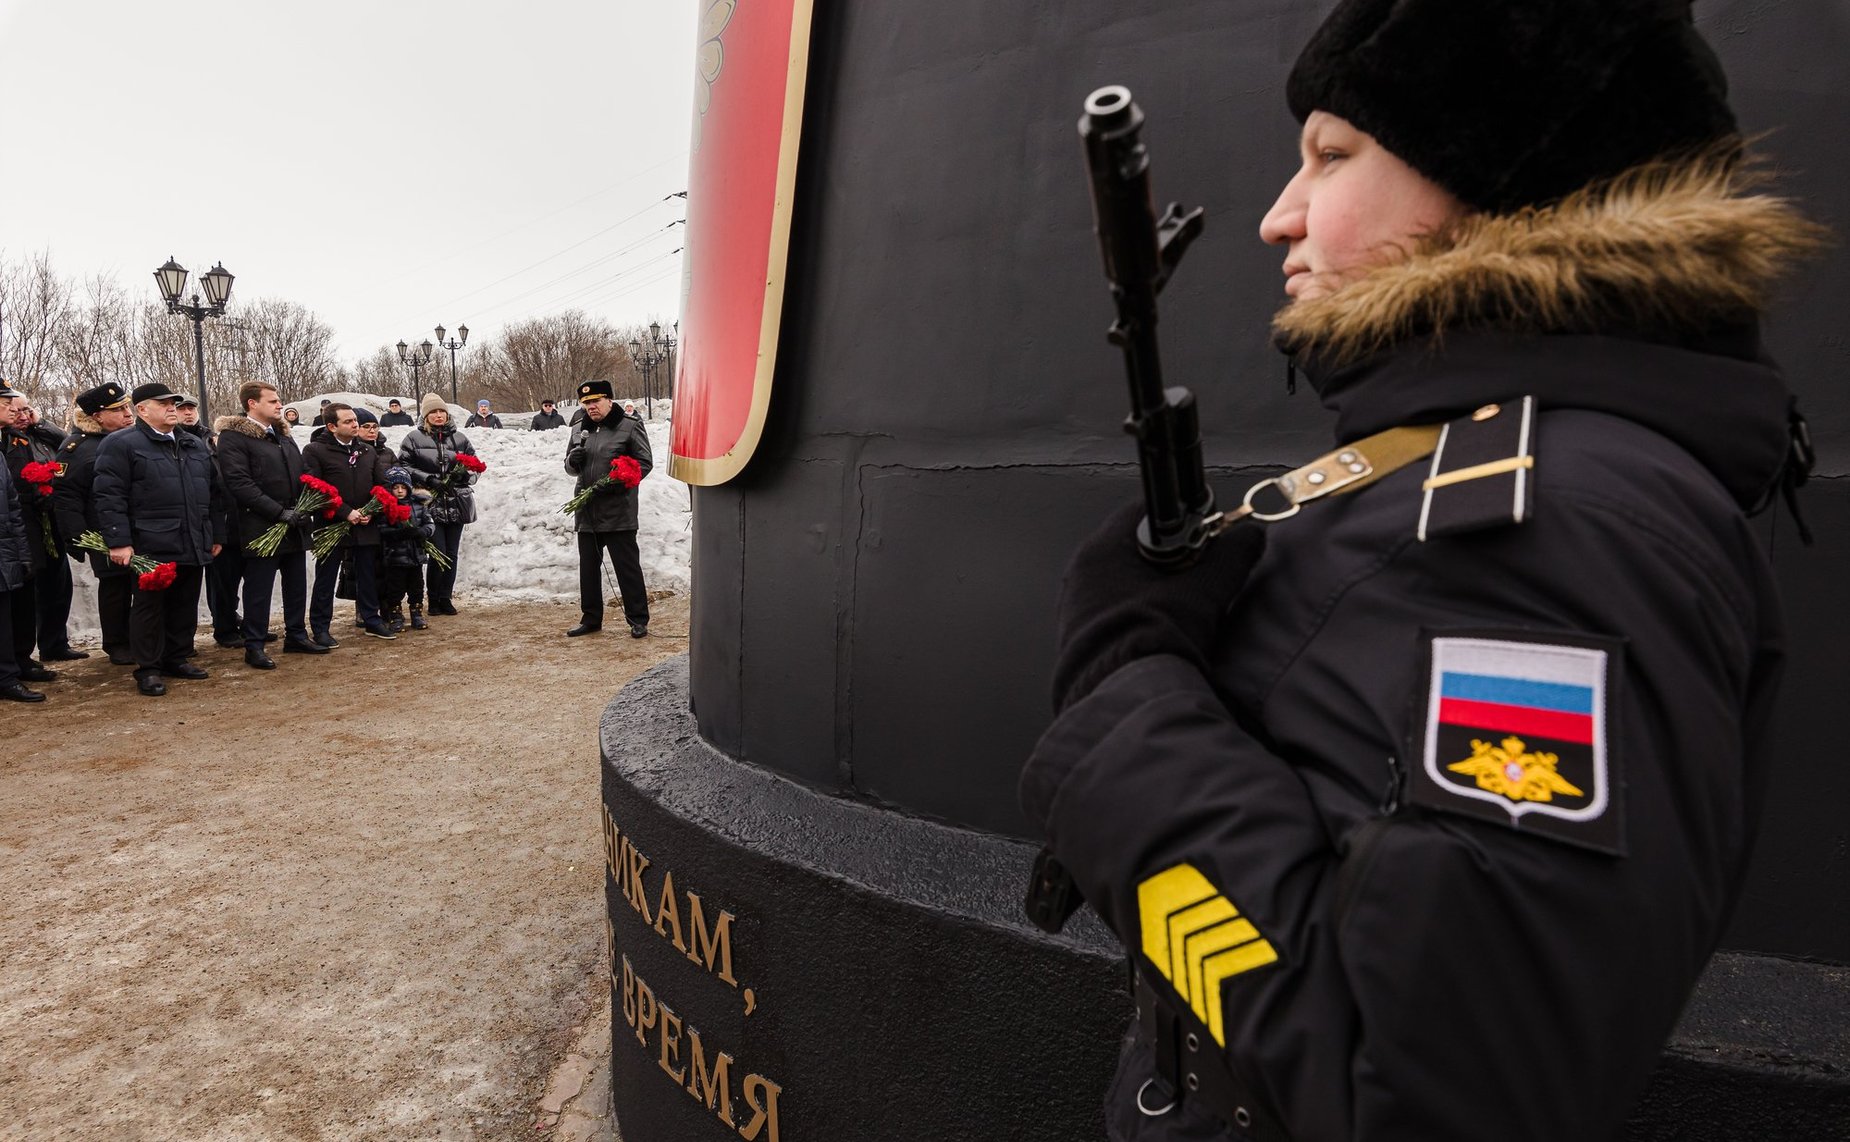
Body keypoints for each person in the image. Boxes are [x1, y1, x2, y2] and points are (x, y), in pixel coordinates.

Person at [1019, 3, 1826, 1140]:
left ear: (1498, 181)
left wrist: (1123, 694)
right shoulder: (1500, 482)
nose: (1275, 217)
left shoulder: (1559, 529)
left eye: (1331, 157)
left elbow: (1416, 1088)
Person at [92, 382, 225, 697]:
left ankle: (176, 657)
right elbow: (109, 496)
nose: (172, 408)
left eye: (174, 403)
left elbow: (214, 494)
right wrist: (118, 541)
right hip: (151, 542)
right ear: (141, 409)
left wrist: (215, 533)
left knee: (185, 602)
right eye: (163, 403)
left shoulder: (193, 444)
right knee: (150, 608)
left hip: (192, 538)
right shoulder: (122, 444)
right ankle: (148, 668)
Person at [216, 380, 328, 668]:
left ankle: (296, 636)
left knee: (296, 584)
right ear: (252, 404)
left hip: (294, 523)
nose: (280, 405)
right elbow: (239, 483)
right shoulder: (233, 437)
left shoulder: (282, 435)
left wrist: (305, 504)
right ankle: (253, 645)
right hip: (260, 525)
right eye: (273, 401)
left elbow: (300, 472)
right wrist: (279, 512)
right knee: (259, 589)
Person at [51, 382, 137, 666]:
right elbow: (66, 498)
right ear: (98, 416)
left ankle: (137, 638)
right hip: (102, 532)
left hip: (134, 527)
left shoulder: (131, 438)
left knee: (140, 586)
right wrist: (79, 538)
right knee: (115, 588)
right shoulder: (78, 448)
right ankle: (117, 643)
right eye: (119, 409)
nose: (128, 413)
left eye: (127, 407)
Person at [564, 379, 651, 638]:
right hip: (587, 509)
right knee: (588, 569)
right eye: (586, 403)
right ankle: (591, 618)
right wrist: (572, 460)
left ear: (609, 400)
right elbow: (569, 468)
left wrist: (617, 483)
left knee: (627, 568)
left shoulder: (629, 426)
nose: (591, 407)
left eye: (595, 401)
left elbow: (644, 463)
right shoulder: (580, 428)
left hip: (618, 510)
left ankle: (638, 618)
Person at [303, 402, 394, 643]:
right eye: (349, 422)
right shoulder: (315, 450)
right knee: (326, 576)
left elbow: (382, 484)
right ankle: (321, 627)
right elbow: (313, 488)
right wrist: (345, 512)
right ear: (332, 426)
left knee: (367, 573)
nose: (355, 425)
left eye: (355, 420)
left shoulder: (367, 451)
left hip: (365, 523)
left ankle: (371, 619)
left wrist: (371, 510)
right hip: (332, 524)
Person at [11, 399, 83, 663]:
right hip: (28, 520)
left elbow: (65, 443)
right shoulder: (11, 441)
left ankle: (55, 644)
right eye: (16, 410)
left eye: (26, 410)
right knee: (33, 590)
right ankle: (25, 653)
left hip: (52, 517)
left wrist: (40, 423)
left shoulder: (42, 435)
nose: (22, 415)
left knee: (59, 585)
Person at [398, 393, 477, 616]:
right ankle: (433, 598)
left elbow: (474, 467)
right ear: (426, 416)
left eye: (441, 411)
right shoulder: (413, 438)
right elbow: (403, 466)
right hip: (429, 504)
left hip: (456, 502)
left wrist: (464, 476)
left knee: (451, 553)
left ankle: (446, 597)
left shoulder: (459, 439)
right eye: (433, 412)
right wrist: (427, 478)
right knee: (438, 552)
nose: (438, 415)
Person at [1, 394, 62, 683]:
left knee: (26, 592)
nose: (15, 410)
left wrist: (41, 493)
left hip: (23, 526)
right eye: (6, 404)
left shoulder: (18, 441)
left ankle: (22, 658)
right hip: (7, 530)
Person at [0, 386, 42, 702]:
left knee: (11, 611)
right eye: (5, 403)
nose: (14, 408)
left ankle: (9, 673)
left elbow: (12, 504)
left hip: (8, 543)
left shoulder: (11, 445)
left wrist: (22, 552)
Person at [376, 466, 433, 633]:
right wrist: (398, 533)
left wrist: (422, 532)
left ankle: (416, 613)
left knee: (416, 587)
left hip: (415, 555)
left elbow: (429, 523)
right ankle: (395, 615)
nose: (400, 491)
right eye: (395, 488)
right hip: (395, 557)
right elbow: (382, 529)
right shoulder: (386, 507)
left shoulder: (419, 505)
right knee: (395, 588)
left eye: (403, 487)